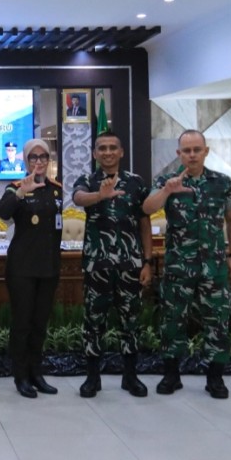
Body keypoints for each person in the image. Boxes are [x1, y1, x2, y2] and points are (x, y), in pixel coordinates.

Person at [142, 129, 231, 399]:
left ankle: (215, 378)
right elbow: (147, 209)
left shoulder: (222, 183)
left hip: (214, 265)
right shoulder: (166, 180)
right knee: (172, 320)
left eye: (197, 149)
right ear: (179, 154)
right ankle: (172, 375)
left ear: (206, 151)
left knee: (217, 320)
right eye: (187, 150)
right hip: (178, 266)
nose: (192, 155)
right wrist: (166, 190)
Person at [72, 131, 153, 398]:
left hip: (130, 265)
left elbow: (144, 222)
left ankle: (130, 377)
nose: (107, 152)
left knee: (130, 323)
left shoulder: (136, 182)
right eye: (101, 148)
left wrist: (147, 262)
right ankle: (92, 378)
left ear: (121, 152)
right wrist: (100, 196)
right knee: (94, 323)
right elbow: (78, 199)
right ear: (94, 153)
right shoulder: (88, 180)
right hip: (98, 266)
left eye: (112, 148)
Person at [0, 138, 64, 398]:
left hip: (49, 266)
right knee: (22, 323)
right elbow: (1, 213)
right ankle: (21, 376)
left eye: (43, 157)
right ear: (26, 161)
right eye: (33, 158)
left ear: (48, 161)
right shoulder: (15, 187)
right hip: (22, 267)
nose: (38, 162)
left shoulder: (56, 189)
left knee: (40, 323)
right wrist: (20, 193)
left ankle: (37, 373)